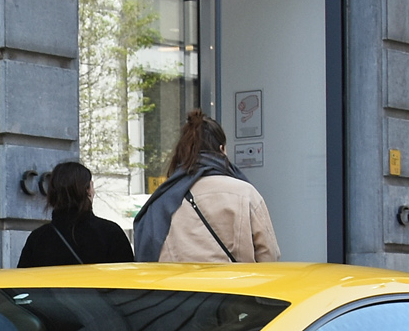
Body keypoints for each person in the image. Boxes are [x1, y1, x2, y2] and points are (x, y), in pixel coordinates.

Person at [131, 108, 279, 262]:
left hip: (178, 285)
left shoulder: (163, 200)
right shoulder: (245, 193)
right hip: (236, 285)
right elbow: (269, 255)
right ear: (221, 149)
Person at [17, 161, 133, 266]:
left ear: (52, 193)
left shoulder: (38, 239)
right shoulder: (111, 233)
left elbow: (23, 284)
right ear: (88, 190)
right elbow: (127, 282)